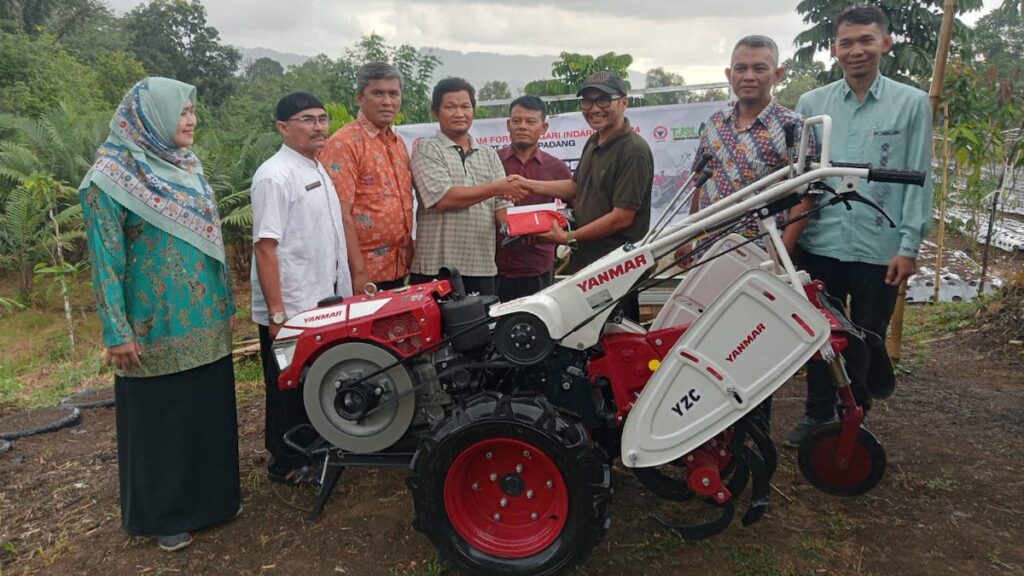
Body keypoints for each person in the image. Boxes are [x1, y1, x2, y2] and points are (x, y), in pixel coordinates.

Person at [80, 77, 239, 552]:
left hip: (204, 319)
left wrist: (224, 303)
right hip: (152, 329)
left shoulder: (187, 167)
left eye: (192, 111)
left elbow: (213, 243)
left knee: (206, 413)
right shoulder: (107, 179)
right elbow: (105, 261)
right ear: (149, 117)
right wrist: (116, 331)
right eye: (180, 112)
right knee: (163, 422)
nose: (190, 120)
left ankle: (215, 500)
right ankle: (166, 514)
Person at [786, 5, 933, 447]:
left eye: (866, 41)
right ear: (834, 49)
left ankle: (854, 416)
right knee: (820, 334)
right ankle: (816, 415)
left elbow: (919, 175)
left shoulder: (911, 103)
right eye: (846, 43)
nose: (856, 51)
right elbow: (799, 178)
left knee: (867, 336)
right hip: (821, 241)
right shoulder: (813, 104)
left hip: (878, 247)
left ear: (885, 44)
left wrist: (908, 245)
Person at [251, 92, 353, 482]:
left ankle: (316, 451)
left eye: (322, 118)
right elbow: (265, 248)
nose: (318, 127)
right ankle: (288, 461)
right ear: (283, 127)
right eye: (307, 119)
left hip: (321, 299)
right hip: (291, 307)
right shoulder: (274, 176)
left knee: (314, 380)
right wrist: (278, 314)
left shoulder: (315, 167)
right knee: (285, 386)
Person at [513, 71, 654, 320]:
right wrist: (528, 184)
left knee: (616, 341)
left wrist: (568, 237)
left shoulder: (633, 150)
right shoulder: (595, 140)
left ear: (624, 102)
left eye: (603, 100)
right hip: (590, 268)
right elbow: (576, 187)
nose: (594, 108)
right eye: (587, 101)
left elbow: (622, 217)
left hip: (615, 271)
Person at [689, 35, 815, 256]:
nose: (749, 77)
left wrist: (781, 255)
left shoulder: (794, 127)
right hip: (706, 250)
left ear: (777, 75)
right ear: (729, 75)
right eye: (740, 69)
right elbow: (700, 182)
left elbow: (805, 196)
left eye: (759, 68)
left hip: (760, 255)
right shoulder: (714, 123)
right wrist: (687, 237)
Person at [409, 77, 530, 296]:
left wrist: (527, 229)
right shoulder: (426, 149)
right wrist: (497, 187)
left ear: (473, 110)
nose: (459, 113)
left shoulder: (489, 154)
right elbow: (444, 198)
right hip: (435, 269)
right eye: (450, 107)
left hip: (481, 267)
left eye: (465, 106)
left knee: (481, 330)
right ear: (435, 112)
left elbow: (501, 208)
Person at [320, 62, 414, 292]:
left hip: (397, 267)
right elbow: (341, 215)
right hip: (363, 274)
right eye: (377, 93)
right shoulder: (344, 144)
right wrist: (358, 273)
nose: (387, 101)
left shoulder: (397, 142)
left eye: (394, 94)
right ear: (359, 98)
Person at [496, 95, 573, 301]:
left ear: (544, 127)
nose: (522, 126)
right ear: (508, 125)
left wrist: (554, 228)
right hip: (494, 265)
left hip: (538, 265)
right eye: (516, 120)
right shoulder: (491, 162)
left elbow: (574, 210)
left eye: (531, 122)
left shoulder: (556, 168)